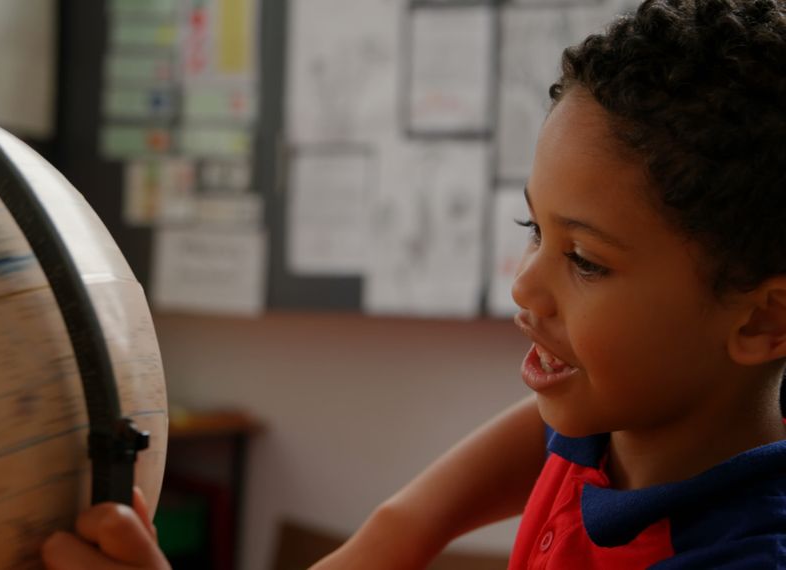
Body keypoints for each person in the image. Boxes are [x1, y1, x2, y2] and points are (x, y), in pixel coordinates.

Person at [42, 0, 786, 567]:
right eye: (535, 232)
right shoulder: (604, 419)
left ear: (761, 322)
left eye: (585, 260)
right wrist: (397, 533)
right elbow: (533, 440)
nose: (525, 286)